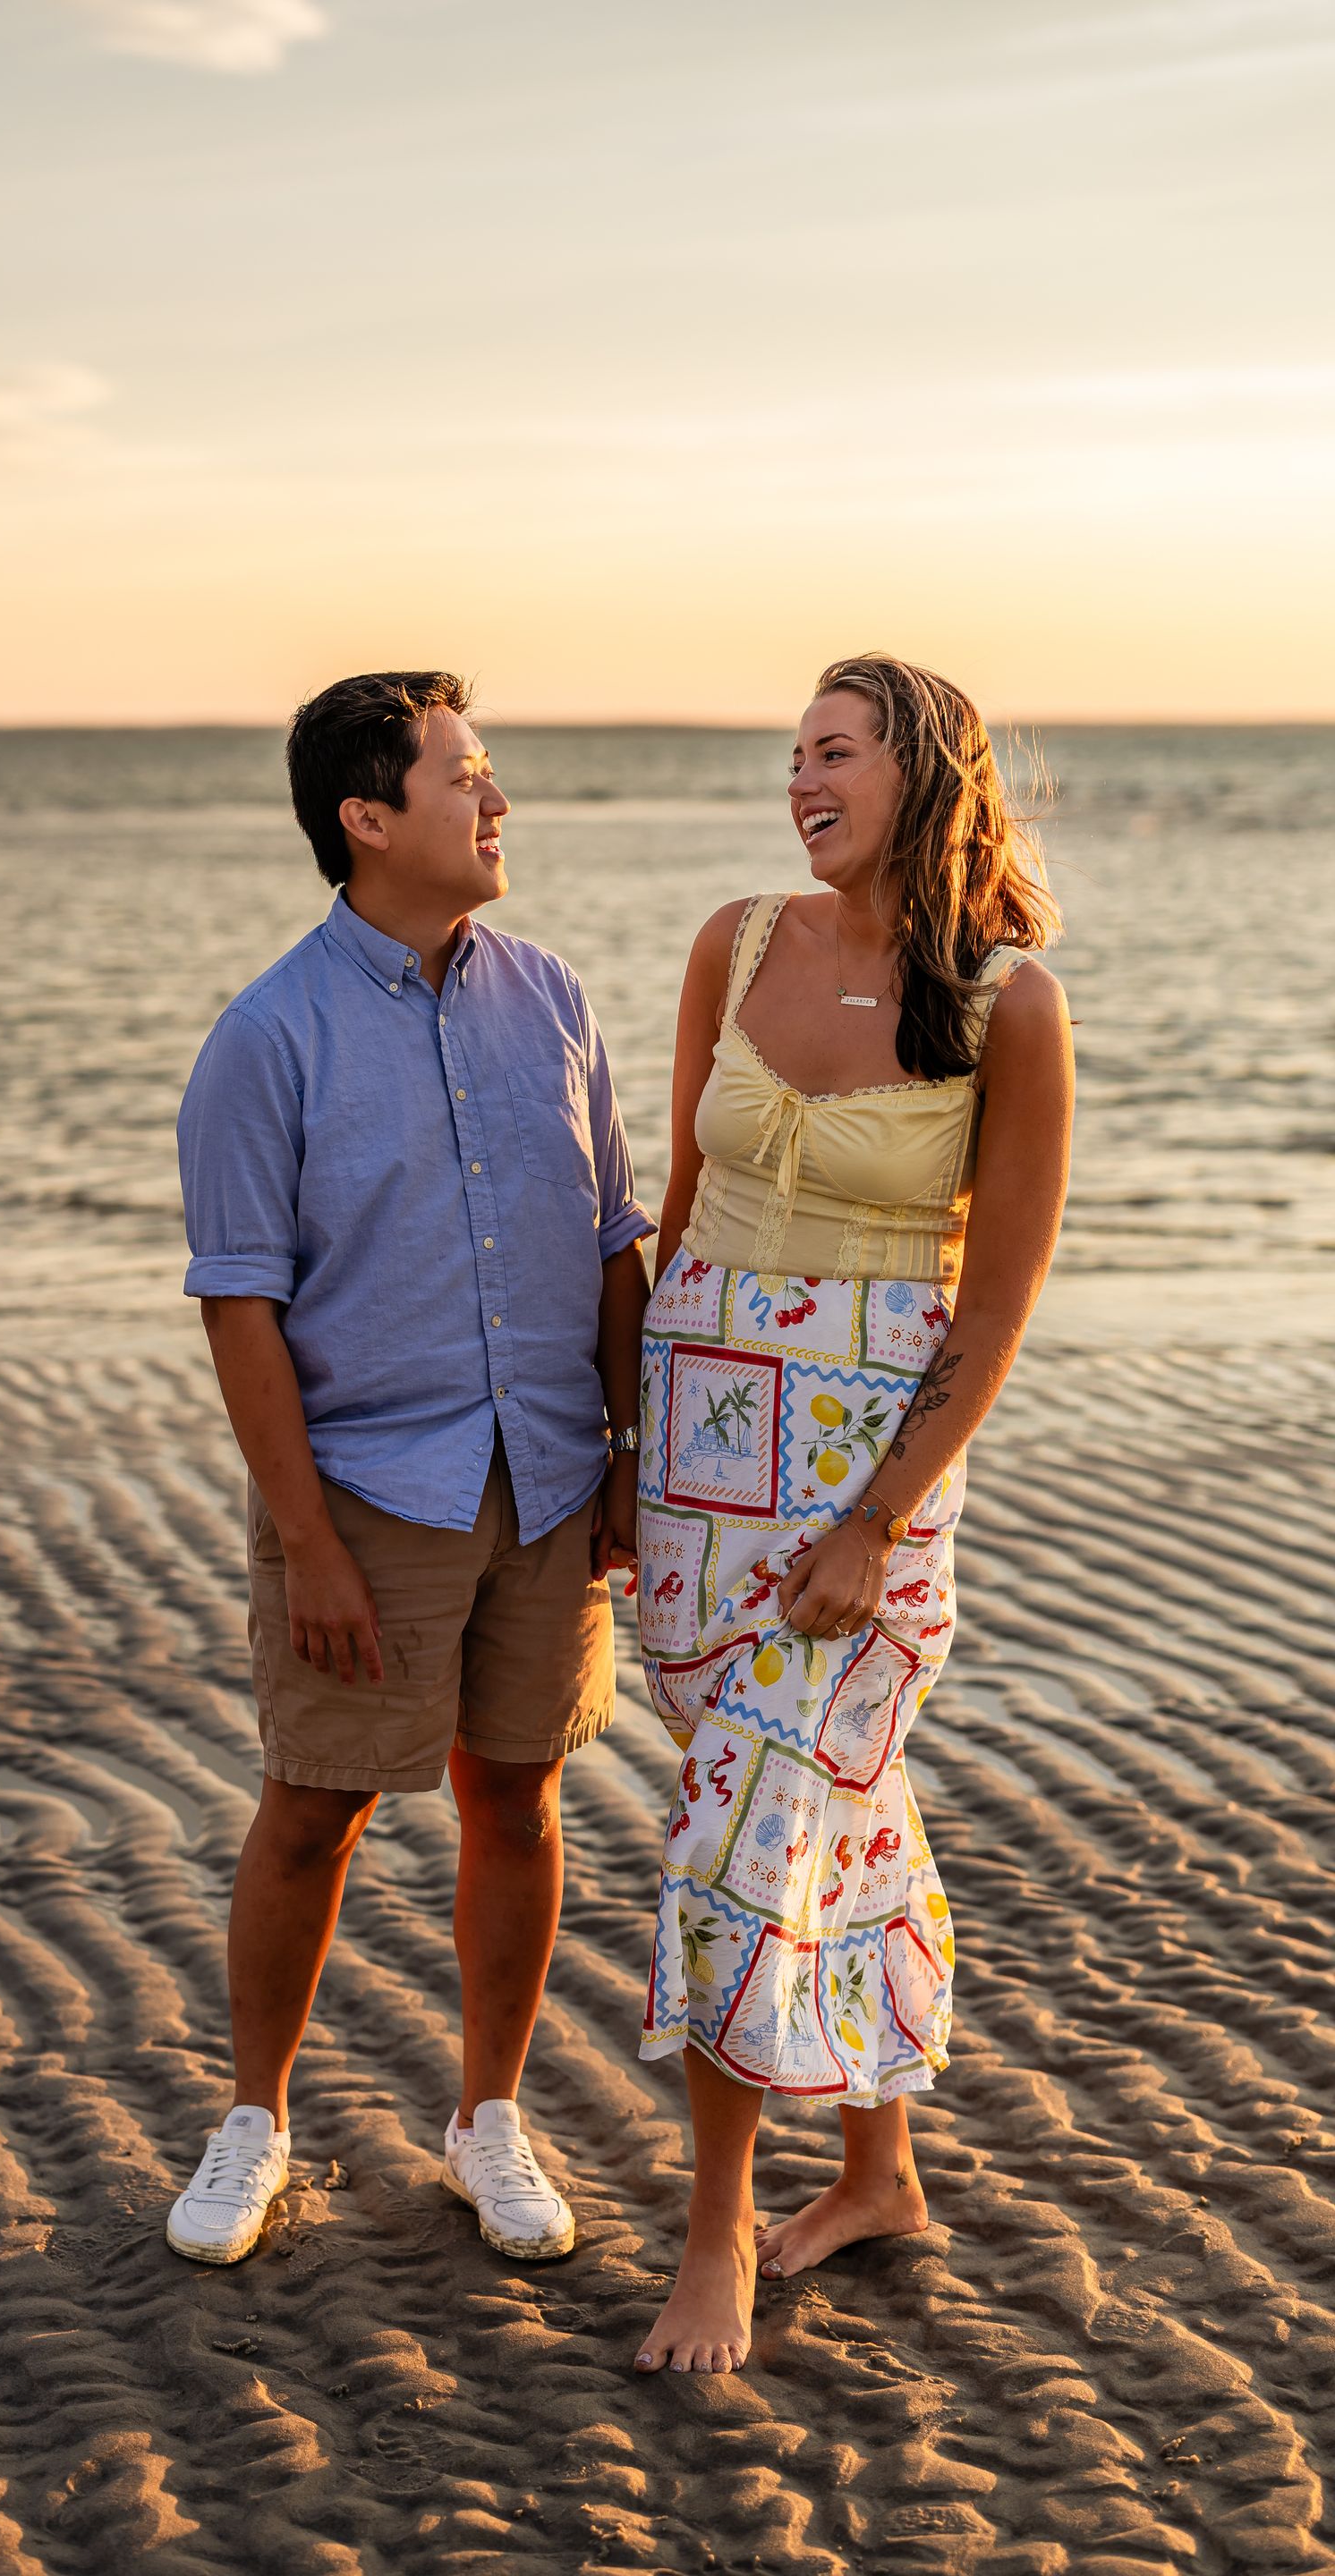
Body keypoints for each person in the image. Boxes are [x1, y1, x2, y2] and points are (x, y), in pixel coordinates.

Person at [166, 670, 653, 2269]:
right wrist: (307, 1543)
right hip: (372, 1495)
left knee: (518, 1796)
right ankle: (254, 2121)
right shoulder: (267, 1039)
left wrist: (626, 1457)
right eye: (465, 776)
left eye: (489, 771)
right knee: (314, 1807)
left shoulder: (554, 997)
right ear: (368, 819)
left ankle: (486, 2122)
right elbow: (242, 1306)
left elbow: (614, 1246)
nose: (497, 800)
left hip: (550, 1482)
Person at [631, 652, 1074, 2374]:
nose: (802, 780)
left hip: (859, 1476)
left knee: (740, 1827)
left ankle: (717, 2235)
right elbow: (680, 1213)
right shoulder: (733, 943)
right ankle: (881, 2176)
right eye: (794, 755)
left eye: (835, 752)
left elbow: (997, 1303)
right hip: (695, 1463)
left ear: (922, 774)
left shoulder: (1007, 1005)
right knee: (833, 1796)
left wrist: (877, 1522)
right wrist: (616, 1459)